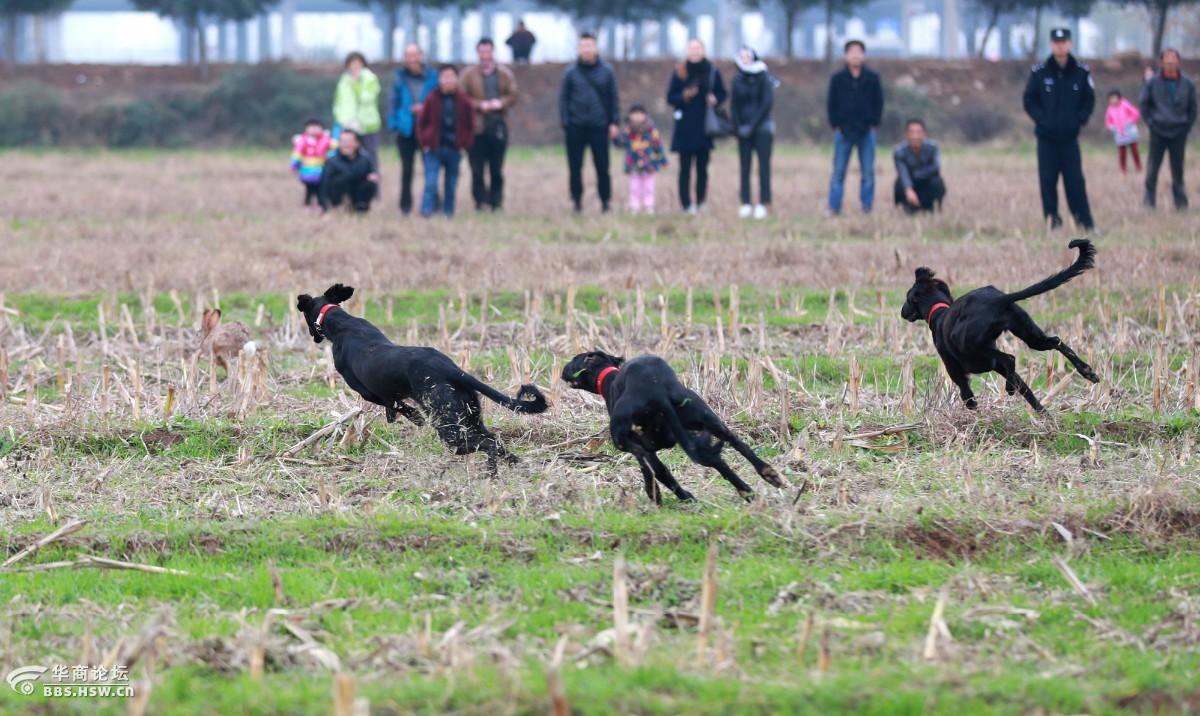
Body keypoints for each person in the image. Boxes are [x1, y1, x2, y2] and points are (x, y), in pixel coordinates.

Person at [1022, 28, 1095, 230]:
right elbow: (1029, 100)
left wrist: (1079, 120)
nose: (1060, 46)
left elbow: (1089, 100)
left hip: (1070, 139)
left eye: (1063, 42)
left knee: (1075, 182)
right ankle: (1052, 221)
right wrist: (1041, 119)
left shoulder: (1081, 72)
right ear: (1050, 45)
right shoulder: (1039, 72)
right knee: (1047, 182)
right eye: (1056, 42)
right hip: (1046, 139)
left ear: (1070, 44)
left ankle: (1084, 222)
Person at [559, 32, 620, 213]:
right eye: (583, 46)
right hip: (576, 127)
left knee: (602, 166)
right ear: (579, 49)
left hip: (599, 126)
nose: (586, 50)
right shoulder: (570, 73)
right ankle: (577, 201)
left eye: (589, 46)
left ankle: (605, 201)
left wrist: (614, 122)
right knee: (575, 167)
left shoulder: (607, 71)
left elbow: (613, 98)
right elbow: (563, 99)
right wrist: (566, 122)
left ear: (596, 47)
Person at [667, 38, 726, 214]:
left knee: (702, 168)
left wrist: (715, 100)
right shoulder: (679, 71)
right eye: (691, 48)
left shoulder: (712, 71)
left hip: (704, 127)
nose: (694, 51)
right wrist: (684, 96)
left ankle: (701, 201)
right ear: (687, 51)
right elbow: (670, 97)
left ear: (703, 50)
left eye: (697, 48)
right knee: (684, 168)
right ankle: (686, 204)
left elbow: (722, 93)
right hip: (684, 126)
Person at [826, 39, 884, 216]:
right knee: (838, 172)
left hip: (866, 131)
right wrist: (836, 124)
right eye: (852, 52)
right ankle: (834, 207)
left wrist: (874, 122)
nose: (855, 55)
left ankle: (866, 207)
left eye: (859, 52)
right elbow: (831, 103)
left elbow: (879, 102)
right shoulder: (837, 79)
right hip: (843, 131)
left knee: (868, 172)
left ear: (864, 55)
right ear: (845, 56)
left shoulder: (872, 78)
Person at [462, 38, 519, 212]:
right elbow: (462, 97)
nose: (485, 55)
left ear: (493, 52)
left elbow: (513, 94)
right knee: (477, 168)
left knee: (496, 168)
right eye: (482, 52)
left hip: (498, 125)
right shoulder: (468, 75)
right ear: (477, 53)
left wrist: (500, 103)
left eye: (488, 51)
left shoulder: (504, 74)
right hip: (476, 127)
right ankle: (480, 201)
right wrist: (480, 105)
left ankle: (496, 201)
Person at [1140, 48, 1197, 211]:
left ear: (1179, 61)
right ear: (1161, 62)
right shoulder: (1152, 83)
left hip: (1179, 131)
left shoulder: (1187, 83)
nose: (1170, 62)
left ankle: (1181, 203)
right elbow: (1144, 104)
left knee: (1178, 168)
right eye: (1167, 59)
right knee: (1153, 166)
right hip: (1158, 130)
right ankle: (1149, 202)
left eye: (1173, 59)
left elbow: (1193, 107)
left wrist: (1186, 126)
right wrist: (1151, 122)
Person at [416, 65, 475, 218]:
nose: (448, 80)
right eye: (444, 77)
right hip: (434, 148)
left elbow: (471, 125)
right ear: (439, 79)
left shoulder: (464, 100)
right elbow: (421, 123)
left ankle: (448, 213)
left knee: (451, 184)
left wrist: (465, 144)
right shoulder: (431, 98)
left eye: (451, 77)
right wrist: (425, 142)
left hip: (455, 148)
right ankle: (426, 213)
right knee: (430, 183)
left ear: (456, 79)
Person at [388, 44, 438, 215]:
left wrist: (425, 109)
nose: (412, 60)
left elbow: (437, 99)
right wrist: (394, 124)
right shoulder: (399, 78)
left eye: (414, 55)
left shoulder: (432, 77)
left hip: (427, 129)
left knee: (430, 169)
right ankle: (405, 206)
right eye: (408, 56)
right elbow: (393, 103)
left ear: (421, 56)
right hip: (406, 129)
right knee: (407, 170)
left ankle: (433, 205)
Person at [730, 46, 775, 220]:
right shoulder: (737, 79)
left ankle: (764, 202)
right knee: (745, 167)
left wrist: (752, 125)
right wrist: (738, 126)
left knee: (763, 167)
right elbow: (734, 105)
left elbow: (766, 103)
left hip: (762, 129)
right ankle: (746, 202)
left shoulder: (764, 77)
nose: (745, 59)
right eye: (742, 56)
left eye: (747, 56)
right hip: (742, 131)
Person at [613, 104, 667, 214]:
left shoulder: (651, 131)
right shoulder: (628, 132)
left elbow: (658, 146)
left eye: (640, 114)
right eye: (634, 114)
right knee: (634, 188)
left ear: (645, 115)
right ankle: (634, 207)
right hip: (633, 164)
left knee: (649, 187)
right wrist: (615, 137)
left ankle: (649, 206)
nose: (637, 117)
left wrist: (663, 160)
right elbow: (620, 143)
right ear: (630, 116)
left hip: (649, 164)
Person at [333, 52, 383, 158]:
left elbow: (367, 98)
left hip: (367, 123)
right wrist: (340, 118)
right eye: (352, 63)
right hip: (348, 123)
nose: (355, 66)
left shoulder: (370, 79)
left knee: (370, 152)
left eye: (358, 63)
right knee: (348, 154)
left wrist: (356, 83)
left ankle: (372, 174)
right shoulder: (344, 80)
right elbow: (338, 101)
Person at [319, 129, 379, 213]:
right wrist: (323, 204)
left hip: (357, 192)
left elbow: (373, 174)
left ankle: (361, 208)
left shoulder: (365, 159)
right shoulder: (331, 161)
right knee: (338, 181)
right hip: (339, 194)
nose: (346, 144)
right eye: (343, 141)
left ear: (357, 143)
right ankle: (339, 207)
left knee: (369, 182)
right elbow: (324, 184)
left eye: (349, 141)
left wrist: (373, 177)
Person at [892, 118, 946, 213]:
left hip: (926, 181)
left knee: (937, 181)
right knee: (899, 183)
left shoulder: (933, 148)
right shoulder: (899, 151)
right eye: (911, 132)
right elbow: (902, 172)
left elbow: (936, 167)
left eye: (918, 132)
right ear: (906, 134)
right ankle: (907, 205)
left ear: (924, 134)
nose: (915, 136)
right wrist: (908, 189)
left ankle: (934, 205)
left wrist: (917, 175)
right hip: (910, 184)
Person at [291, 118, 334, 212]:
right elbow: (297, 154)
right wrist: (294, 165)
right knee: (309, 189)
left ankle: (319, 205)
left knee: (320, 189)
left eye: (316, 127)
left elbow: (334, 148)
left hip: (321, 170)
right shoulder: (302, 141)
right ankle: (307, 205)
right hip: (307, 171)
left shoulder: (325, 140)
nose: (314, 130)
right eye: (311, 127)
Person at [1104, 90, 1142, 175]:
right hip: (1119, 135)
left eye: (1114, 98)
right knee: (1122, 154)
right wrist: (1112, 127)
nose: (1113, 100)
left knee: (1134, 152)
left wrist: (1130, 122)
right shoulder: (1110, 109)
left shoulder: (1125, 104)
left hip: (1130, 133)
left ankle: (1139, 167)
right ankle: (1123, 170)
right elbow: (1108, 122)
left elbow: (1136, 113)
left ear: (1119, 98)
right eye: (1111, 98)